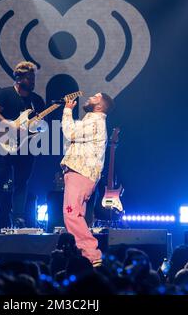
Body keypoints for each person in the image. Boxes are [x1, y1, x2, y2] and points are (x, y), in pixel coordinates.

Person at [0, 61, 45, 229]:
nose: (33, 82)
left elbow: (41, 126)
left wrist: (37, 128)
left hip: (26, 146)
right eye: (30, 78)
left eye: (34, 78)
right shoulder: (5, 94)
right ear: (19, 78)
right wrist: (8, 124)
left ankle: (18, 218)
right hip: (5, 142)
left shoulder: (36, 101)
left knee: (22, 182)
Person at [60, 92, 114, 266]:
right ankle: (84, 256)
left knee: (71, 214)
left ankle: (91, 253)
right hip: (80, 173)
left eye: (95, 97)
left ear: (100, 105)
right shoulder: (92, 120)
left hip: (81, 173)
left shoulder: (95, 120)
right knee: (76, 214)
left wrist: (67, 110)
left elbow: (70, 133)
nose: (90, 97)